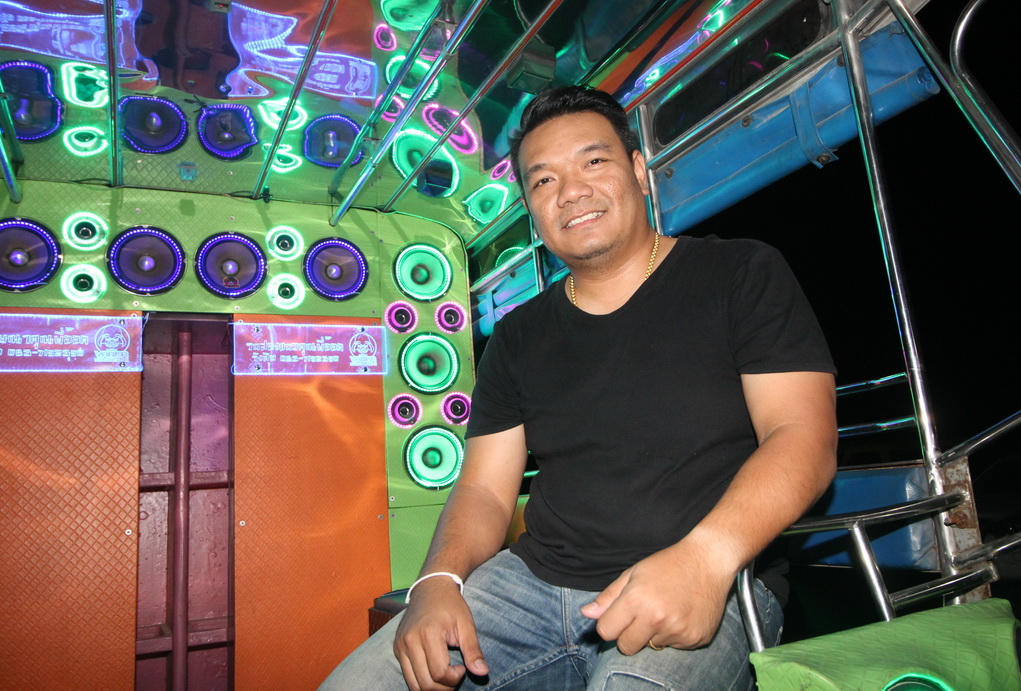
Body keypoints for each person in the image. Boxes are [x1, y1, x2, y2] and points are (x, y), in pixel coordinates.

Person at [321, 86, 837, 690]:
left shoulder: (740, 273)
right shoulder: (517, 335)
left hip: (715, 576)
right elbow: (484, 490)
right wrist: (437, 582)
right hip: (531, 585)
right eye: (544, 180)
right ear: (531, 208)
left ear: (639, 170)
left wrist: (707, 557)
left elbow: (801, 436)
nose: (570, 191)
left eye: (593, 161)